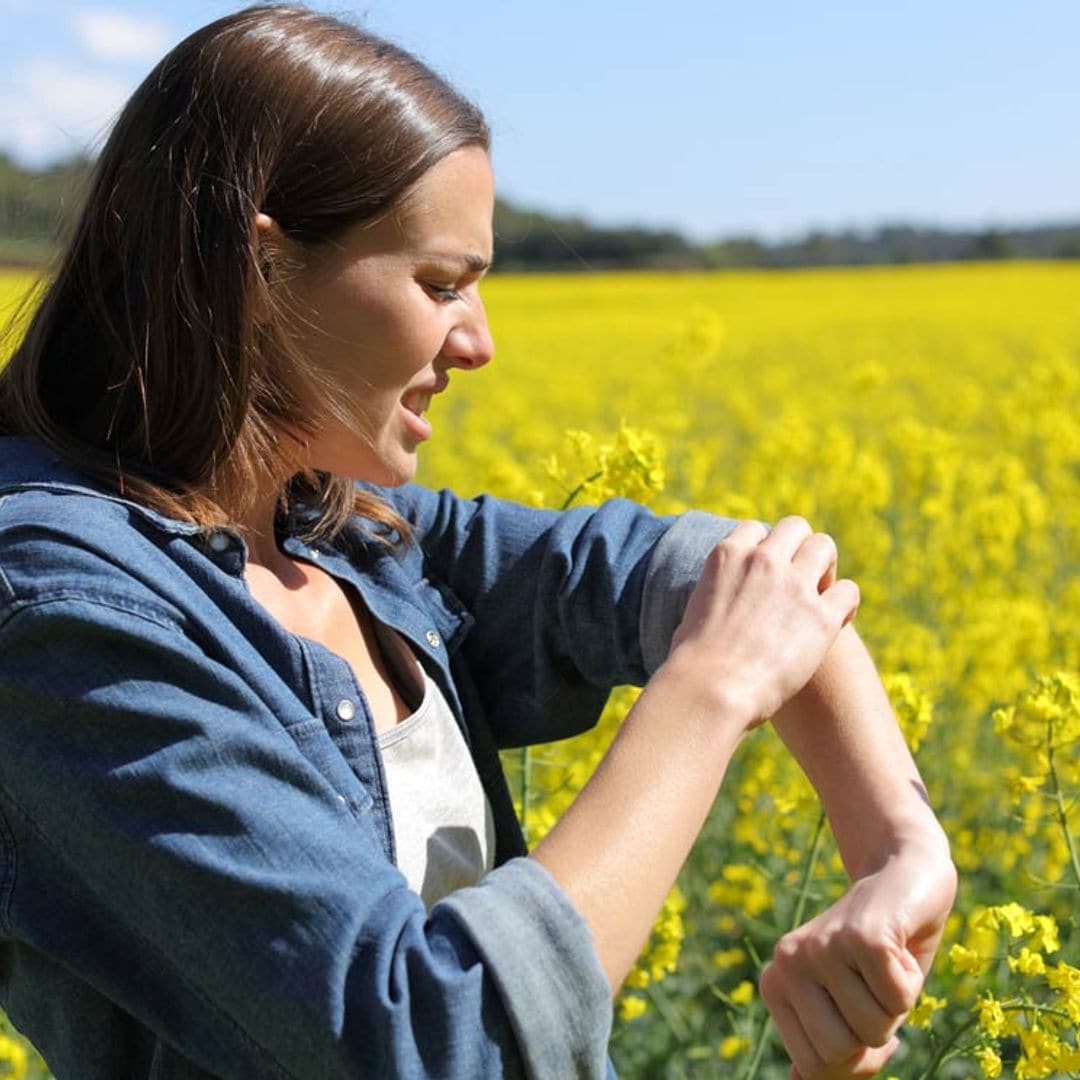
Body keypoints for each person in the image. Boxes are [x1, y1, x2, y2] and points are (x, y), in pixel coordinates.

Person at [0, 5, 956, 1078]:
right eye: (441, 284)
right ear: (256, 273)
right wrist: (712, 692)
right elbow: (430, 1040)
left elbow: (747, 583)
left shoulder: (337, 532)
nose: (481, 342)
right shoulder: (58, 616)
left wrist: (902, 853)